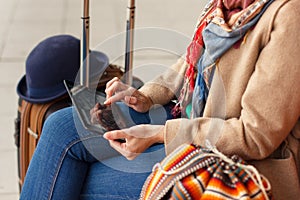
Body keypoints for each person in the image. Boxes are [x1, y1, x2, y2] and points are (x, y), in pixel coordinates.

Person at [20, 0, 300, 199]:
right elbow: (190, 63)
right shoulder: (227, 7)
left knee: (81, 181)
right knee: (60, 126)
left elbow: (255, 137)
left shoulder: (289, 17)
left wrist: (159, 134)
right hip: (193, 120)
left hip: (235, 160)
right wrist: (143, 96)